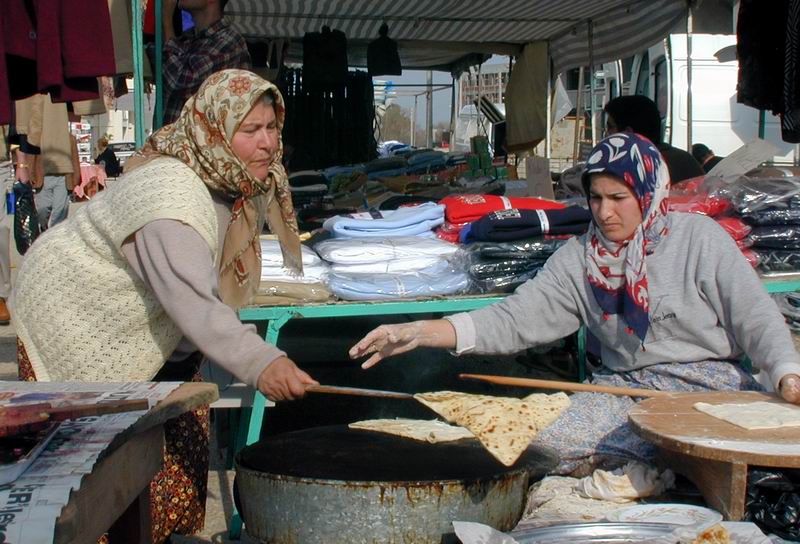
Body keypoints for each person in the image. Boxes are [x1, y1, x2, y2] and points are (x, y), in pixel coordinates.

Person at [349, 132, 800, 476]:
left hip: (708, 393)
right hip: (623, 394)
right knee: (537, 444)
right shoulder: (582, 256)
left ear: (649, 193)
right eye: (597, 197)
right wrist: (419, 332)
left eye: (619, 198)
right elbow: (515, 319)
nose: (605, 213)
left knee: (731, 461)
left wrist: (786, 373)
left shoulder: (699, 239)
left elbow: (755, 317)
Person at [11, 70, 318, 542]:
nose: (267, 144)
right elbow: (192, 299)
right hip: (72, 318)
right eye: (250, 130)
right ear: (214, 129)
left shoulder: (231, 181)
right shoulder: (168, 195)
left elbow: (197, 296)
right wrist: (261, 362)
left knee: (176, 462)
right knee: (90, 483)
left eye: (272, 128)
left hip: (150, 331)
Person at [161, 0, 251, 125]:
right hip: (173, 142)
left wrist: (166, 20)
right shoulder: (188, 40)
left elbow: (178, 81)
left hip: (201, 143)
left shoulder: (229, 41)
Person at [604, 95, 704, 185]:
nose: (606, 134)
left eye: (610, 127)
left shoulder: (634, 168)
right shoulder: (685, 159)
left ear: (628, 133)